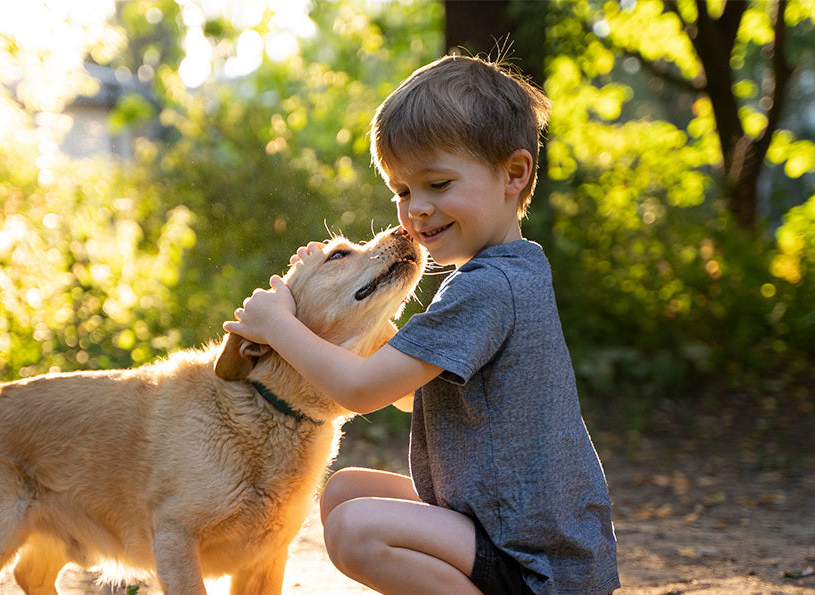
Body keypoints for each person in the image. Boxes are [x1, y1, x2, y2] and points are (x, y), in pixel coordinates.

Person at [223, 54, 619, 595]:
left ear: (515, 173)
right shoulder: (506, 270)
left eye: (437, 183)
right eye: (404, 191)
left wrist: (278, 326)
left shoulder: (486, 288)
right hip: (511, 527)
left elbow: (363, 391)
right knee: (343, 492)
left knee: (355, 530)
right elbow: (413, 395)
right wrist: (334, 288)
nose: (418, 209)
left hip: (535, 561)